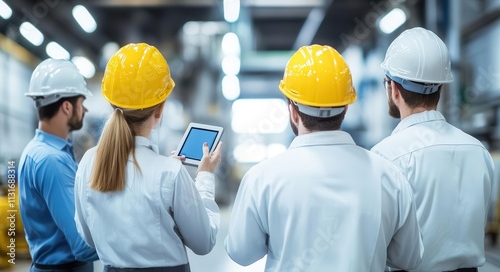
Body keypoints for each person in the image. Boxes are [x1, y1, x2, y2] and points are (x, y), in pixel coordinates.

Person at [225, 44, 423, 271]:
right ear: (346, 107)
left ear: (292, 110)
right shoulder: (389, 176)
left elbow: (241, 253)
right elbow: (408, 259)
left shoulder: (262, 178)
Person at [74, 43, 222, 272]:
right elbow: (204, 242)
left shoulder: (88, 163)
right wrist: (204, 178)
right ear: (160, 110)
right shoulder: (170, 173)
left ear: (111, 102)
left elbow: (89, 237)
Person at [371, 27, 495, 272]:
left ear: (393, 88)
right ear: (441, 87)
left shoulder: (384, 157)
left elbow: (375, 244)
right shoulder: (478, 151)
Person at [18, 59, 99, 271]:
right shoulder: (51, 160)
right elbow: (82, 245)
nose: (85, 110)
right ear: (66, 106)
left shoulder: (36, 151)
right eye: (81, 103)